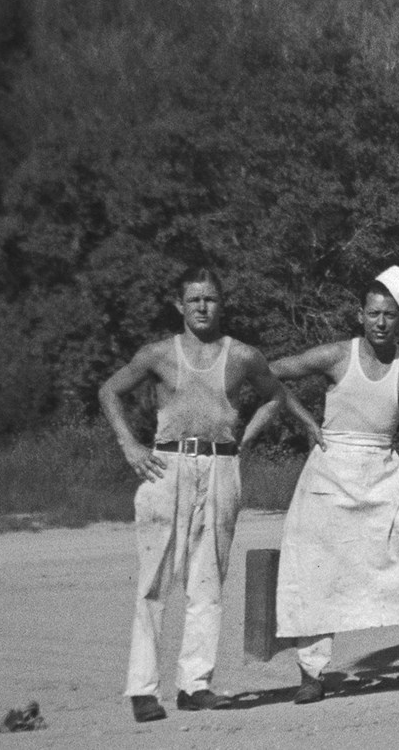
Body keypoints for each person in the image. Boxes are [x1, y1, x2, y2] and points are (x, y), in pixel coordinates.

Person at [99, 267, 285, 723]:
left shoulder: (242, 355)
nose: (203, 307)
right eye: (194, 300)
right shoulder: (159, 354)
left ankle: (195, 684)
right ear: (179, 305)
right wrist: (130, 444)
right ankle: (143, 690)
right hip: (166, 467)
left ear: (222, 304)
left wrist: (246, 437)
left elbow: (274, 395)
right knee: (154, 582)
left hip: (222, 467)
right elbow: (109, 391)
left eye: (211, 300)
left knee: (208, 581)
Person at [269, 266, 399, 704]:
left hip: (384, 472)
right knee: (319, 573)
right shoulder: (338, 355)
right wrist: (304, 420)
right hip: (330, 474)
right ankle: (312, 674)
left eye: (389, 314)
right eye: (373, 313)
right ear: (360, 315)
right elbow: (272, 372)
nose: (380, 322)